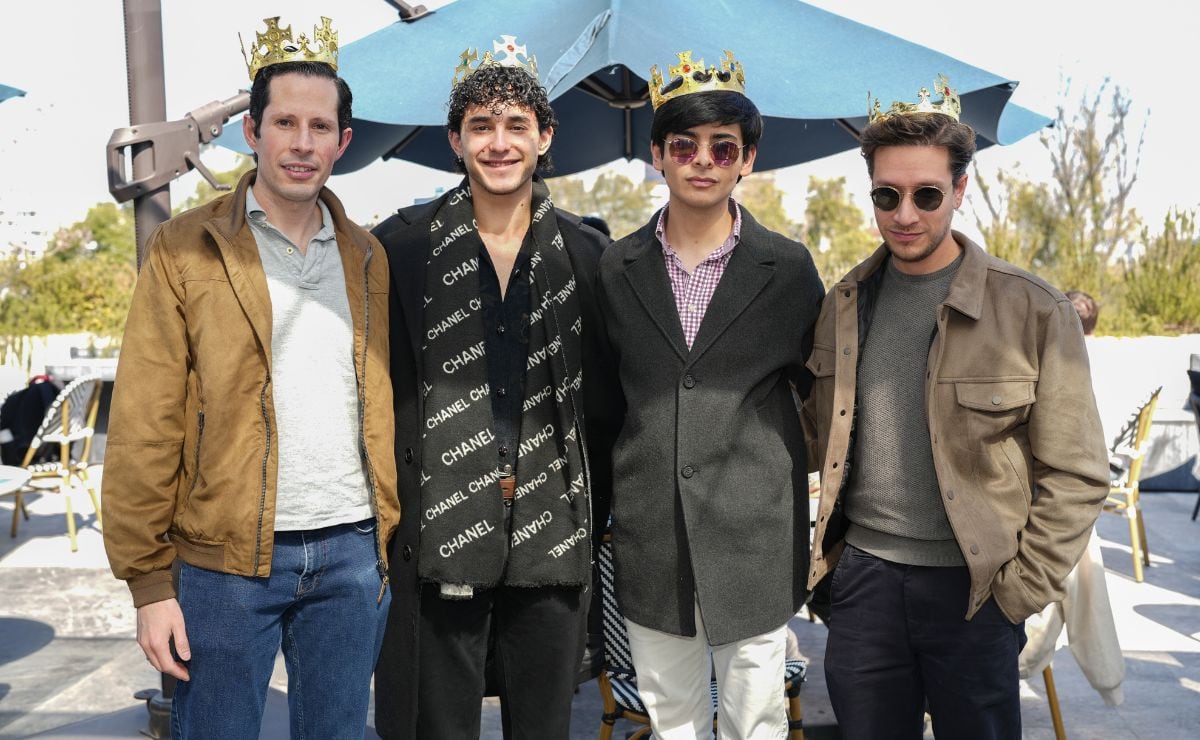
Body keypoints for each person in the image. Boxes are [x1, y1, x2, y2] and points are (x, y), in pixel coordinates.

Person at [101, 16, 398, 738]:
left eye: (320, 127)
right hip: (224, 560)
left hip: (352, 553)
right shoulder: (186, 247)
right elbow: (144, 418)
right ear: (252, 133)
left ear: (342, 143)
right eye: (285, 123)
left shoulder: (367, 256)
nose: (302, 143)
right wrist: (149, 582)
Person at [802, 75, 1110, 739]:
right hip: (864, 587)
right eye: (886, 195)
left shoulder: (1031, 309)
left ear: (961, 189)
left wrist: (1016, 595)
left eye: (927, 194)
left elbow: (1079, 473)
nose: (904, 213)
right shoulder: (842, 306)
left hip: (975, 595)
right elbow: (809, 434)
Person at [371, 36, 621, 739]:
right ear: (456, 140)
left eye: (517, 125)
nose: (500, 143)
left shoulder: (590, 256)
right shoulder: (401, 249)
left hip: (555, 535)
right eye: (481, 125)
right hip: (434, 536)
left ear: (545, 136)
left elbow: (609, 404)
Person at [597, 50, 824, 738]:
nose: (703, 161)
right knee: (671, 721)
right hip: (652, 537)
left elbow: (818, 391)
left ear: (746, 159)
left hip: (756, 541)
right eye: (684, 145)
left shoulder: (788, 269)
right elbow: (604, 398)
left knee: (756, 722)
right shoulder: (616, 267)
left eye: (722, 147)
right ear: (658, 156)